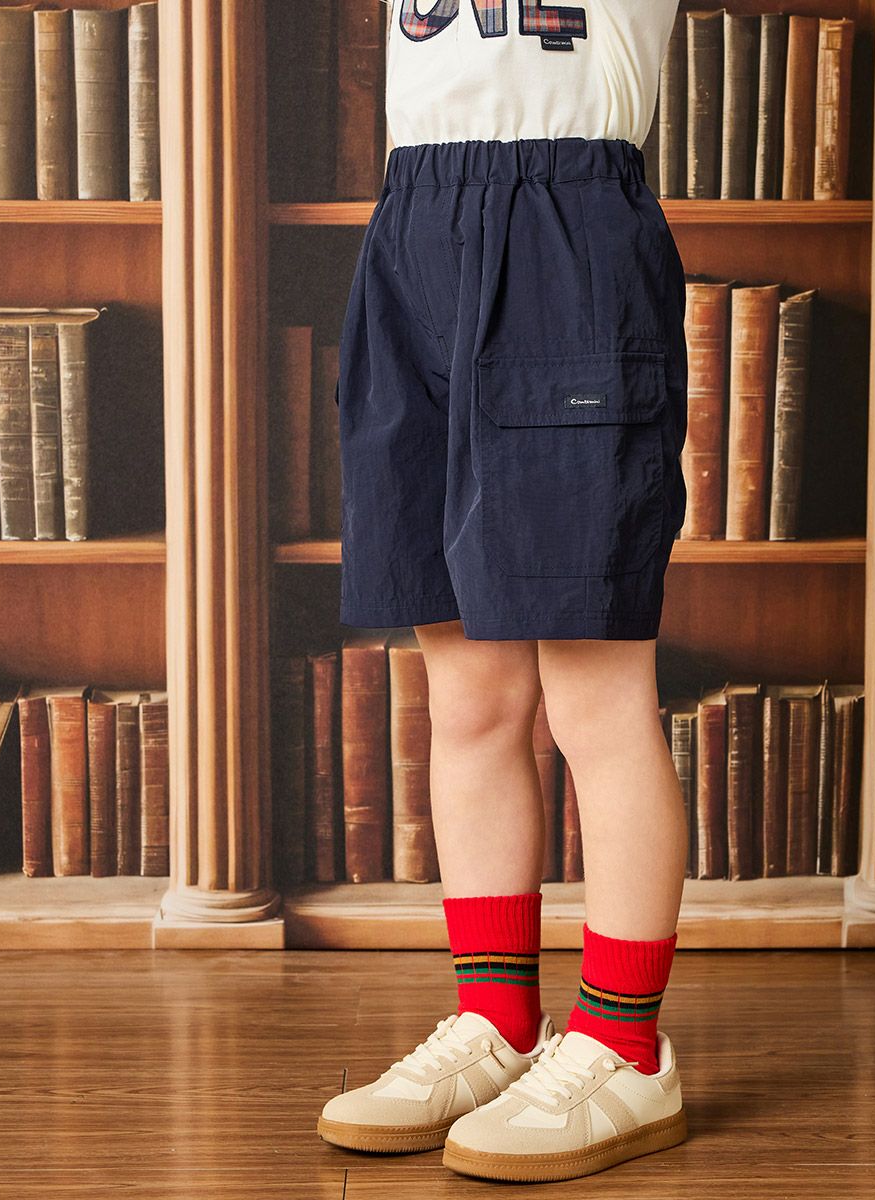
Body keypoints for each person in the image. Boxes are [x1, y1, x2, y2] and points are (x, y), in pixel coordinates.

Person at [316, 0, 689, 1183]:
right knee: (470, 695)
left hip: (567, 223)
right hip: (412, 226)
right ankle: (497, 1020)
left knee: (594, 698)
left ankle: (626, 1046)